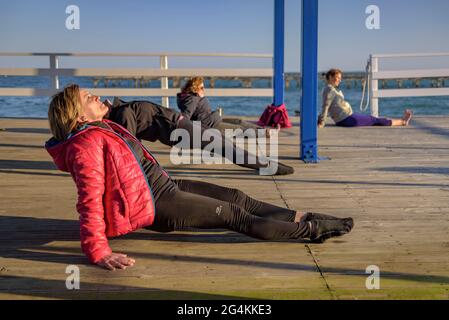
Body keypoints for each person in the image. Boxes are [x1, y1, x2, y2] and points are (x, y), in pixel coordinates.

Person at [45, 84, 354, 271]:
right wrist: (97, 250)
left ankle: (302, 215)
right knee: (235, 215)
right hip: (158, 205)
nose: (96, 95)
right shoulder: (85, 145)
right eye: (88, 96)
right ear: (79, 116)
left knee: (236, 196)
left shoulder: (103, 127)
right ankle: (310, 230)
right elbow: (88, 200)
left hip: (164, 186)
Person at [106, 96, 294, 175]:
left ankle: (270, 165)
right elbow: (131, 145)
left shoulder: (122, 109)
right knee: (226, 148)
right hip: (179, 130)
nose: (100, 99)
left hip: (180, 126)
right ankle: (271, 166)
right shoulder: (123, 114)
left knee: (225, 145)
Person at [318, 69, 413, 128]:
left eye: (340, 78)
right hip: (347, 120)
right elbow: (325, 106)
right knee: (374, 120)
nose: (339, 80)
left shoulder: (328, 89)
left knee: (373, 119)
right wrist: (322, 123)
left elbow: (327, 107)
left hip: (345, 119)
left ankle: (401, 121)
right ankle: (403, 121)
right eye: (337, 77)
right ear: (330, 77)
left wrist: (320, 119)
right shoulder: (329, 90)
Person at [177, 76, 264, 134]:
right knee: (238, 129)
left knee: (239, 121)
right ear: (194, 88)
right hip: (211, 126)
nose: (204, 90)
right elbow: (185, 117)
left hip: (215, 120)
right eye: (201, 88)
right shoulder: (192, 99)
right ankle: (262, 133)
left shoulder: (195, 97)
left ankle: (262, 130)